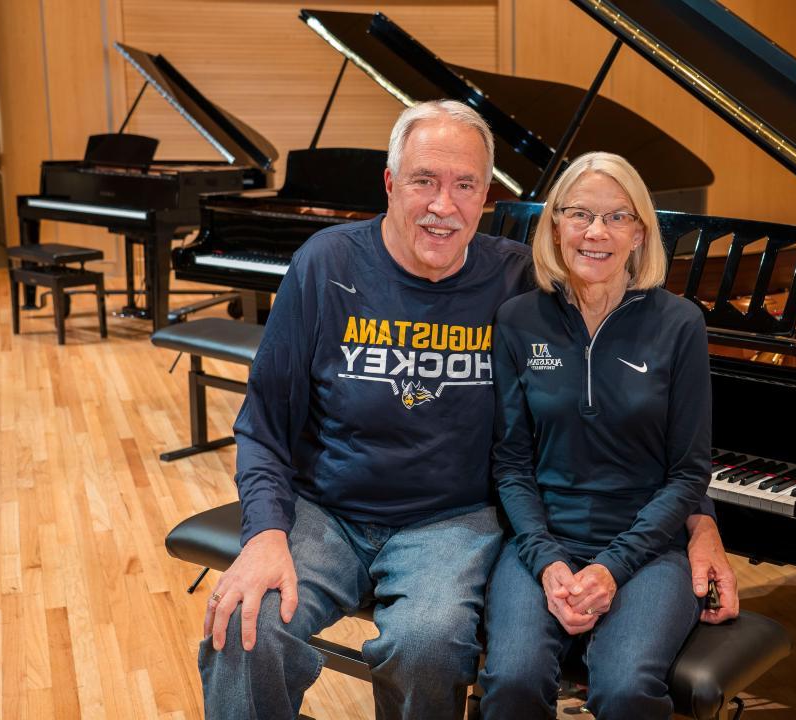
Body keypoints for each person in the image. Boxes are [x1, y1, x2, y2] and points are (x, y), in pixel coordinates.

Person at [198, 102, 738, 720]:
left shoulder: (517, 282)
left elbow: (636, 408)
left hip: (451, 523)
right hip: (326, 512)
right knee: (244, 626)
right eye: (424, 180)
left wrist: (701, 523)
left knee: (427, 646)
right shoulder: (327, 263)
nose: (442, 205)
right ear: (390, 183)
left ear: (487, 196)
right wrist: (266, 533)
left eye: (465, 185)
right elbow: (263, 421)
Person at [478, 152, 715, 719]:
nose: (596, 232)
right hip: (542, 540)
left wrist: (613, 567)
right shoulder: (517, 319)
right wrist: (547, 561)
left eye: (616, 217)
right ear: (556, 225)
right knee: (511, 677)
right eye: (580, 214)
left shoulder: (680, 323)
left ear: (639, 232)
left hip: (648, 547)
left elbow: (689, 473)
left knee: (627, 686)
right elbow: (511, 463)